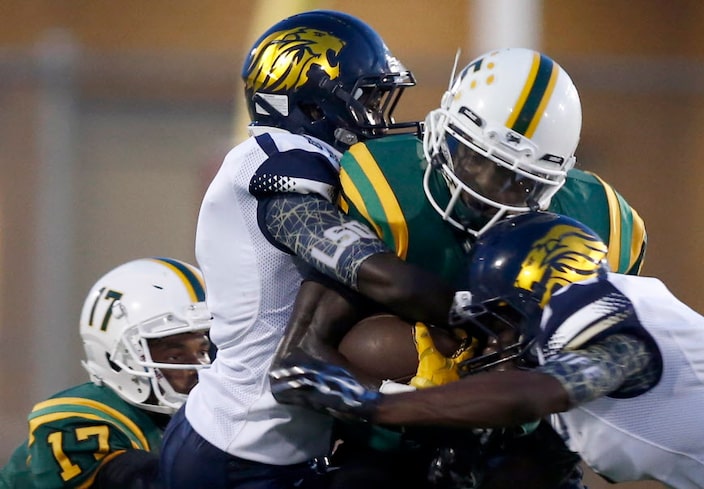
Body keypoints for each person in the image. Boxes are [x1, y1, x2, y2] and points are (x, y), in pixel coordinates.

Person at [277, 48, 646, 488]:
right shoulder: (389, 191)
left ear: (556, 179)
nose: (485, 189)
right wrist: (413, 406)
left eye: (517, 179)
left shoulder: (604, 225)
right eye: (473, 157)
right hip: (392, 437)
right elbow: (300, 355)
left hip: (519, 439)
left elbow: (592, 377)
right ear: (442, 128)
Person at [272, 211, 704, 488]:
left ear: (539, 288)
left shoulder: (603, 306)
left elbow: (534, 394)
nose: (494, 339)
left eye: (501, 319)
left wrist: (378, 405)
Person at [158, 10, 461, 489]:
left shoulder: (299, 158)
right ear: (314, 109)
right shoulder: (277, 162)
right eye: (369, 100)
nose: (379, 118)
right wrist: (472, 311)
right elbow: (366, 268)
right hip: (235, 453)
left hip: (275, 445)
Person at [0, 257, 211, 489]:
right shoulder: (75, 419)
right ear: (114, 355)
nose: (198, 368)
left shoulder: (201, 417)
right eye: (175, 356)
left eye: (202, 351)